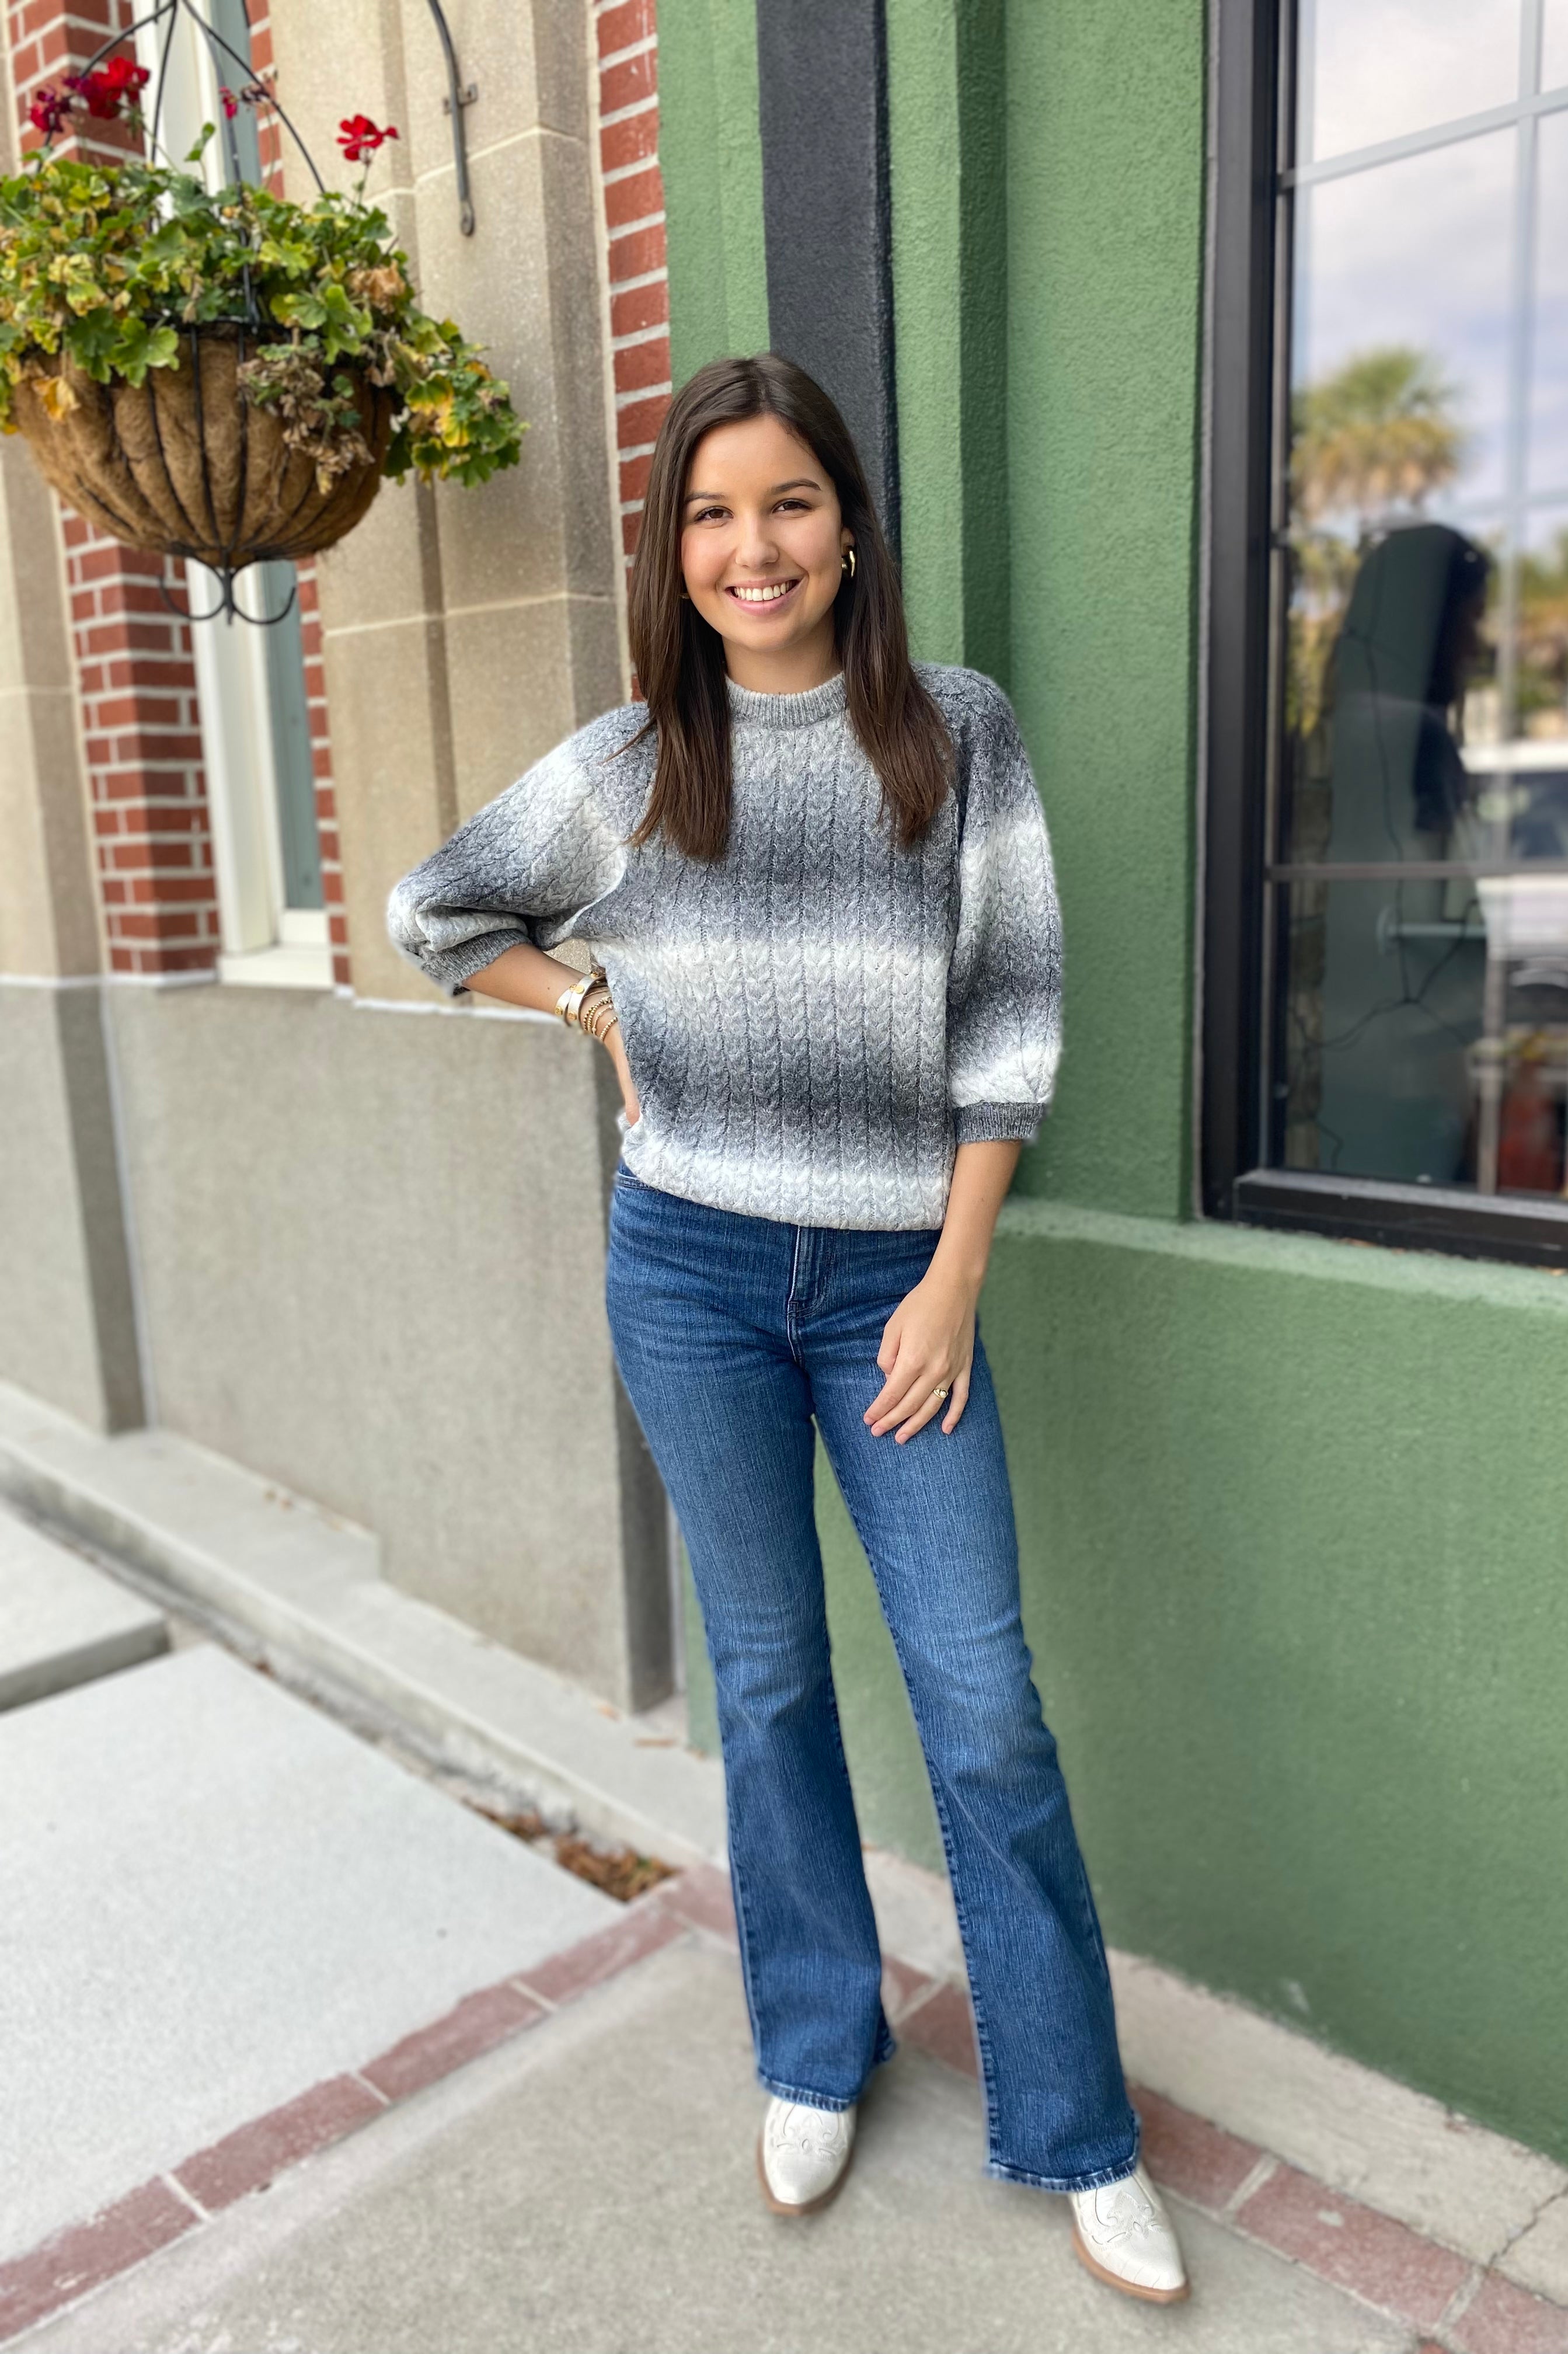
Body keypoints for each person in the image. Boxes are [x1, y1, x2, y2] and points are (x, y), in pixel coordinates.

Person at [386, 352, 1187, 2306]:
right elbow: (433, 908)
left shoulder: (957, 737)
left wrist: (953, 1278)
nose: (756, 548)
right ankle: (817, 2048)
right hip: (692, 1278)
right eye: (714, 513)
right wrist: (587, 1009)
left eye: (792, 504)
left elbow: (1009, 1026)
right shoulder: (633, 761)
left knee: (982, 1706)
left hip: (896, 1299)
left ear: (849, 525)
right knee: (766, 1683)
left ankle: (1077, 2127)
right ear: (678, 544)